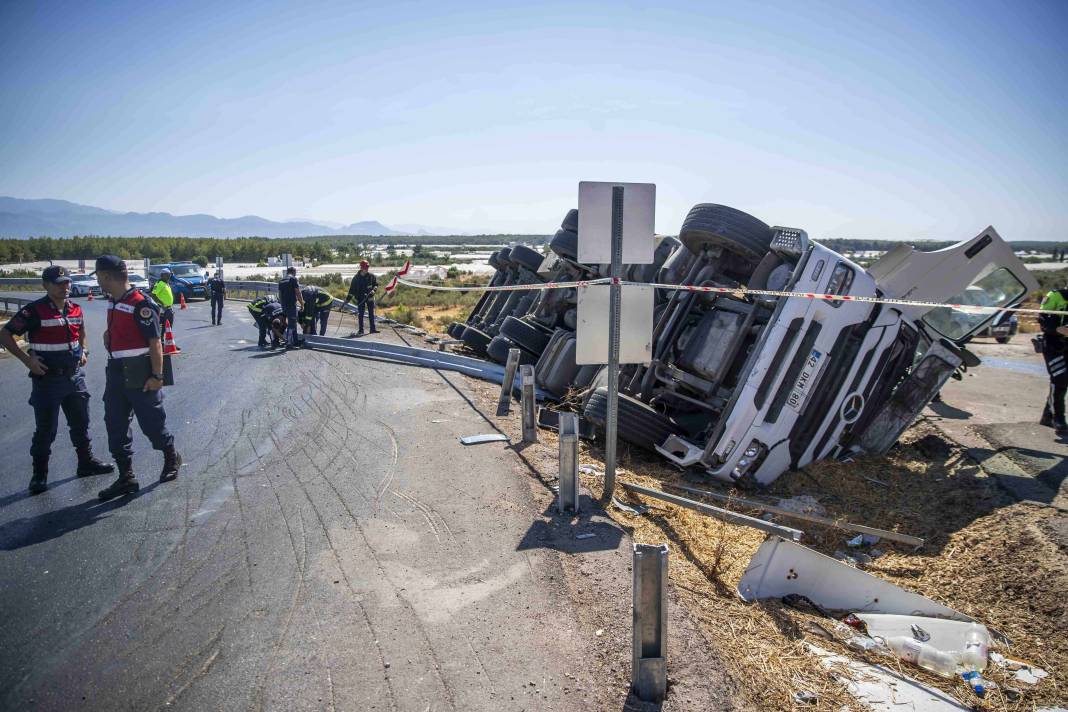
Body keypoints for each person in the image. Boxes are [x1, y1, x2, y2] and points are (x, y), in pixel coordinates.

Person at [0, 266, 114, 494]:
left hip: (74, 377)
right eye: (59, 283)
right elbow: (5, 334)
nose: (65, 286)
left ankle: (86, 463)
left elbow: (81, 332)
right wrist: (26, 360)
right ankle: (39, 476)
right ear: (46, 285)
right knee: (46, 430)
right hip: (48, 381)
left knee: (81, 424)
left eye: (67, 282)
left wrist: (84, 350)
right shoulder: (34, 311)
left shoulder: (76, 309)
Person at [93, 255, 182, 500]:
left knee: (151, 421)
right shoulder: (113, 301)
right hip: (115, 370)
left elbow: (155, 343)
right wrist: (108, 334)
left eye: (99, 276)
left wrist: (157, 376)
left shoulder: (140, 303)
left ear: (108, 276)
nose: (98, 281)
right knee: (115, 422)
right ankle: (126, 476)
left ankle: (170, 456)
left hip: (139, 370)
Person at [1039, 285, 1068, 433]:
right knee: (1060, 379)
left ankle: (1047, 416)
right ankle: (1059, 418)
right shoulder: (1056, 295)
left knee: (1062, 381)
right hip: (1053, 345)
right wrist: (1057, 329)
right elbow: (1042, 318)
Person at [150, 268, 191, 335]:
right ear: (162, 275)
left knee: (168, 327)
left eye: (170, 275)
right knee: (162, 327)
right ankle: (162, 342)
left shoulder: (166, 283)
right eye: (167, 275)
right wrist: (162, 304)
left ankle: (168, 342)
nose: (169, 276)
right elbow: (153, 295)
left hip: (168, 308)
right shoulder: (160, 283)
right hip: (163, 309)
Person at [345, 260, 378, 335]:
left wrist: (373, 291)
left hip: (370, 298)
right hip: (360, 299)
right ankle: (361, 330)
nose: (366, 269)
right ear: (361, 268)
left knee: (371, 314)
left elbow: (376, 285)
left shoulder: (371, 276)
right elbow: (351, 290)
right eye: (365, 267)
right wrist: (347, 300)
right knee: (361, 314)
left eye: (367, 267)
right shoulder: (356, 278)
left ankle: (372, 329)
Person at [278, 266, 305, 348]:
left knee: (292, 323)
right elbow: (298, 293)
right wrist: (302, 303)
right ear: (293, 272)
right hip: (291, 305)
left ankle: (296, 341)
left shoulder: (281, 280)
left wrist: (282, 305)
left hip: (284, 305)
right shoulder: (293, 279)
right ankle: (289, 343)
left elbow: (279, 294)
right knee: (291, 324)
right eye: (295, 272)